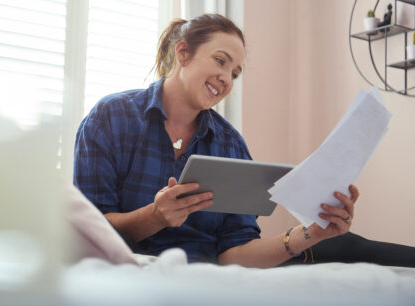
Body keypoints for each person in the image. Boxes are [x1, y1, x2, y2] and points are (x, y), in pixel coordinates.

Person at [74, 13, 415, 268]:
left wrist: (311, 234)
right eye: (220, 61)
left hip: (209, 273)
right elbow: (88, 230)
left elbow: (234, 254)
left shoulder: (230, 144)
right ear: (183, 53)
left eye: (235, 73)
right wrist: (156, 216)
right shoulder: (112, 117)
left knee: (344, 248)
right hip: (131, 266)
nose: (226, 78)